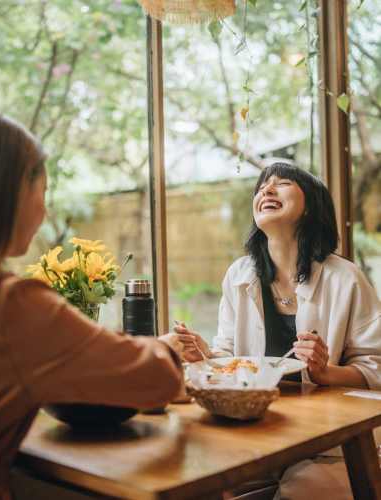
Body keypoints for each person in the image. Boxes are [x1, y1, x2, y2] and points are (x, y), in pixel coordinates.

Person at [0, 112, 183, 500]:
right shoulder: (8, 304)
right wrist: (167, 348)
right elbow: (156, 379)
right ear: (12, 195)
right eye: (43, 190)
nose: (43, 211)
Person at [161, 162, 381, 500]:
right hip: (258, 431)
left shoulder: (346, 279)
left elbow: (375, 368)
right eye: (262, 186)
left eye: (282, 183)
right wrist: (205, 356)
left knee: (301, 493)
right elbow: (234, 358)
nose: (267, 189)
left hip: (330, 438)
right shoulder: (238, 275)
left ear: (312, 206)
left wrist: (326, 372)